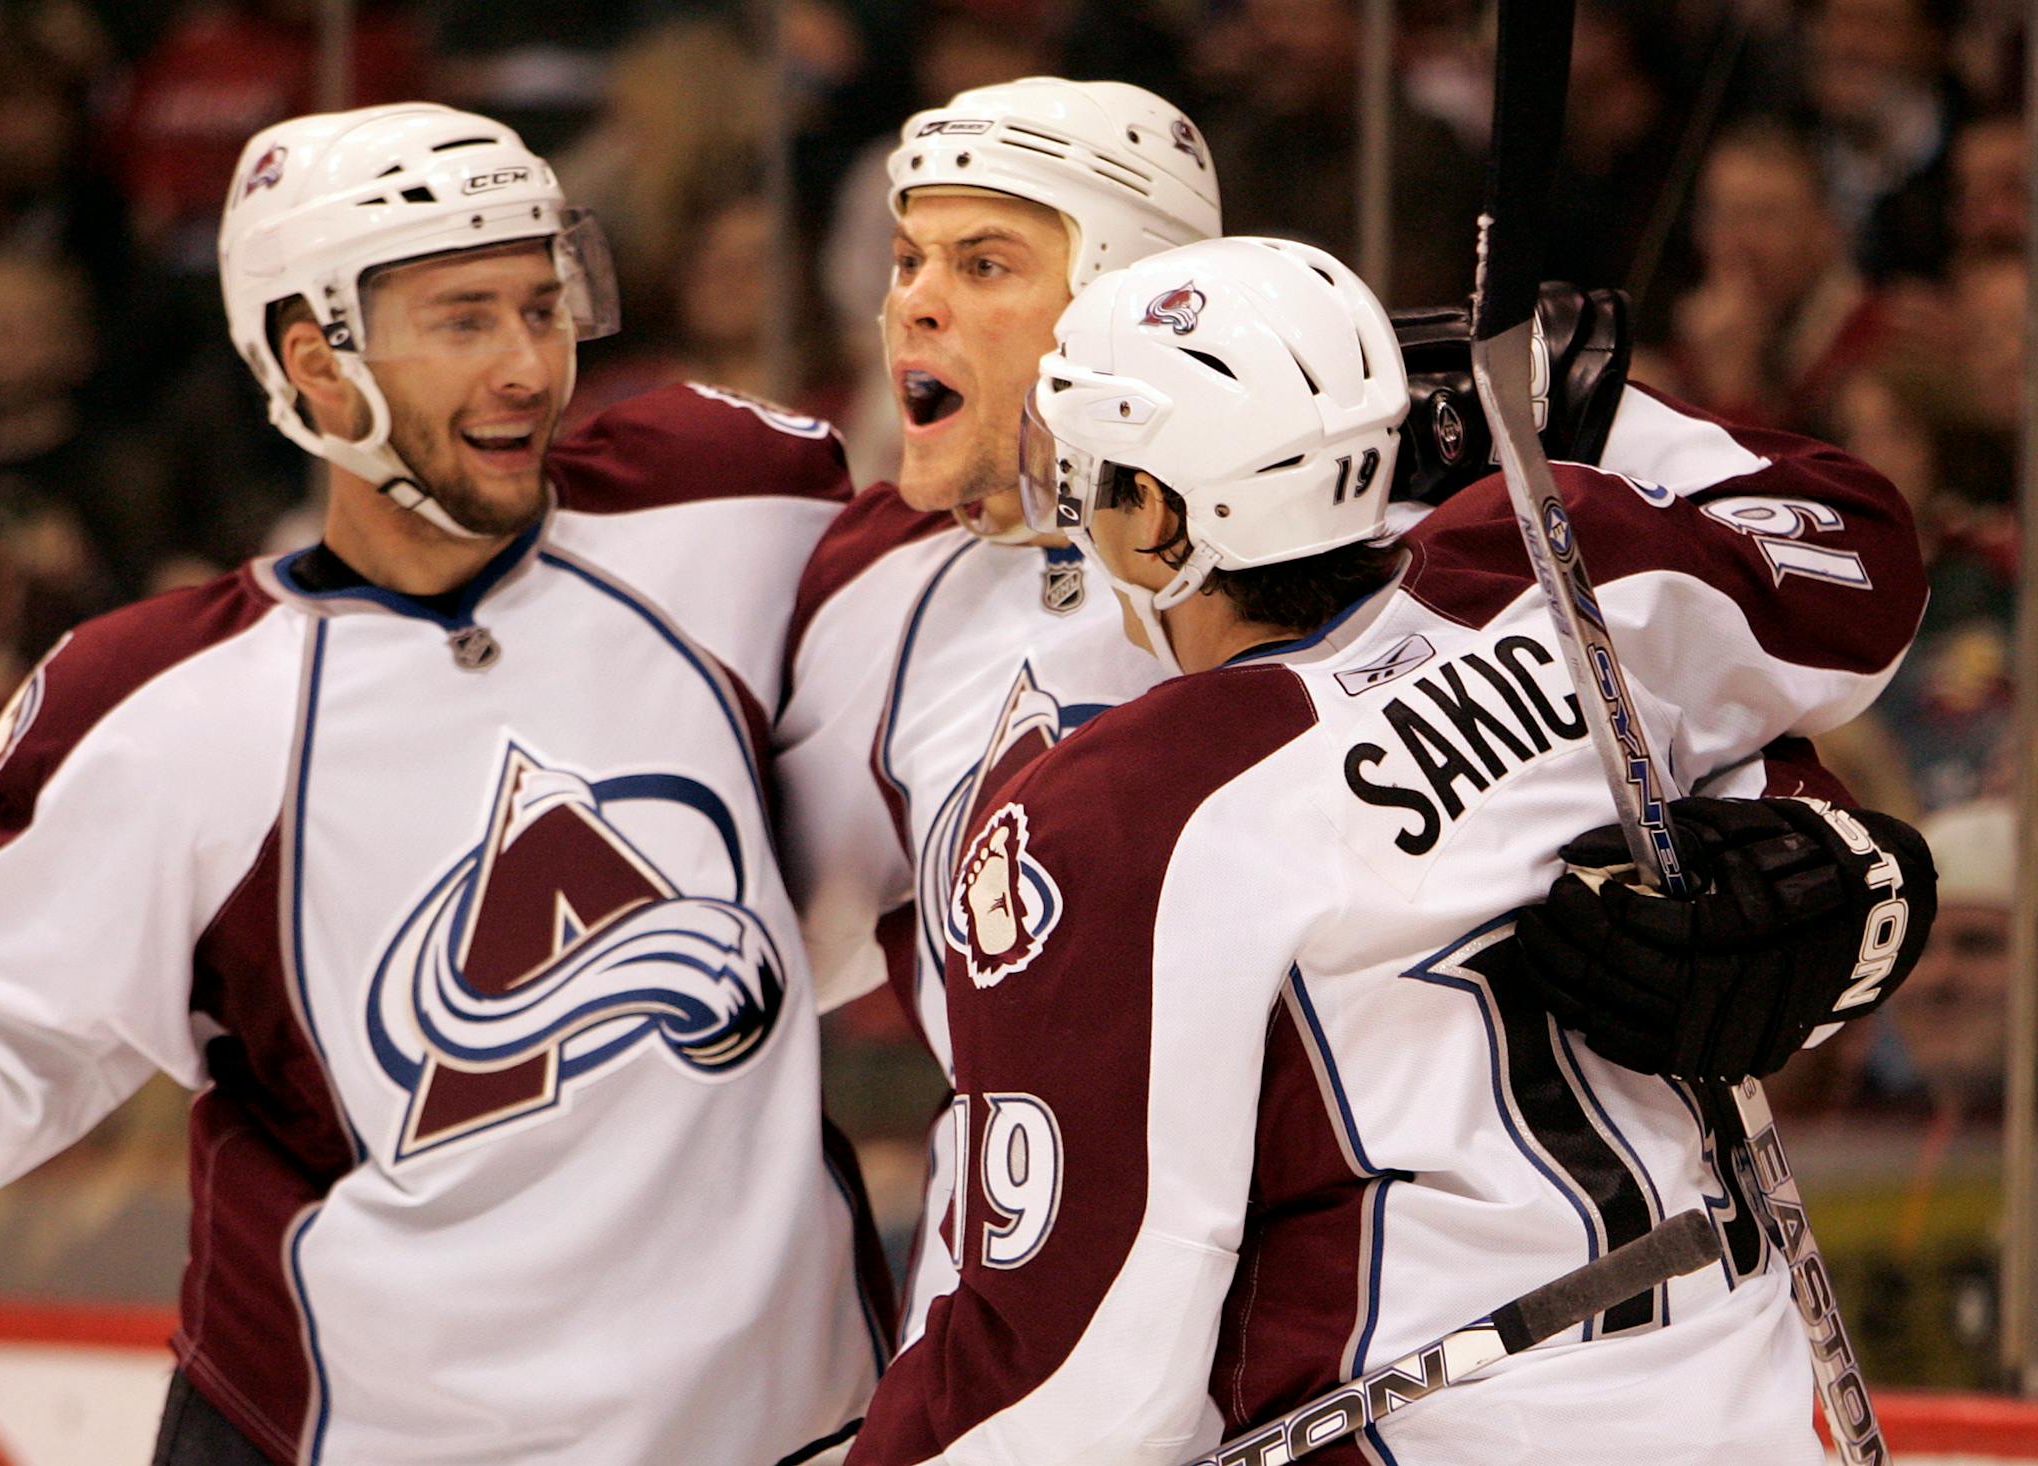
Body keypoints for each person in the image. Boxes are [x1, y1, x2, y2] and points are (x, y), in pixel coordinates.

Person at [775, 76, 1939, 1351]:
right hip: (1050, 1368)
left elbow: (1845, 578)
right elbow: (737, 953)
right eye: (906, 257)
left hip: (1437, 1353)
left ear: (1134, 298)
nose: (914, 303)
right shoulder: (865, 597)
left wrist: (1844, 879)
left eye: (984, 261)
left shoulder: (1393, 514)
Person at [0, 103, 885, 1466]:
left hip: (791, 1431)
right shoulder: (165, 711)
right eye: (464, 318)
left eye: (544, 306)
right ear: (316, 361)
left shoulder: (720, 511)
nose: (531, 364)